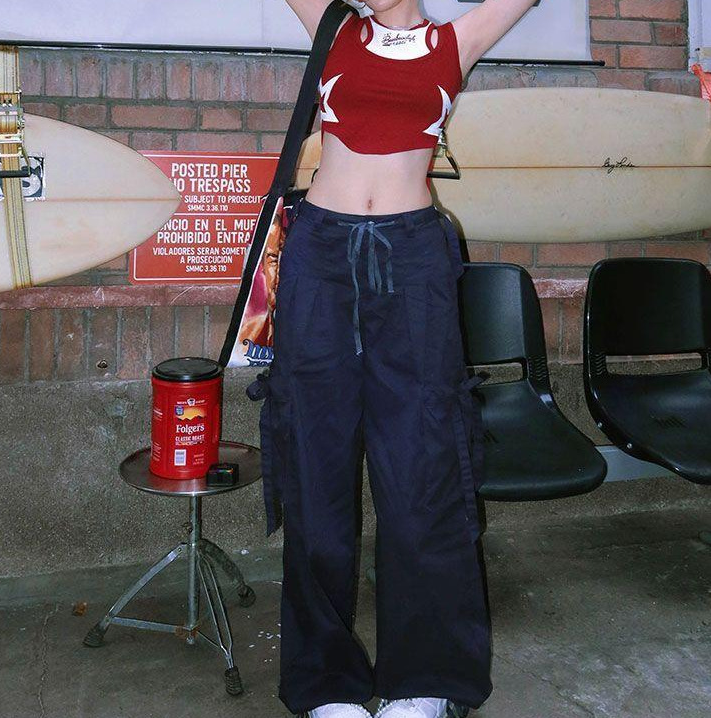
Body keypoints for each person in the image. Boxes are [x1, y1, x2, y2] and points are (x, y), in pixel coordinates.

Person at [250, 1, 539, 717]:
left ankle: (426, 681)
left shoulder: (456, 40)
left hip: (412, 259)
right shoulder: (333, 25)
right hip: (320, 255)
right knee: (314, 461)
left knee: (424, 465)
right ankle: (325, 684)